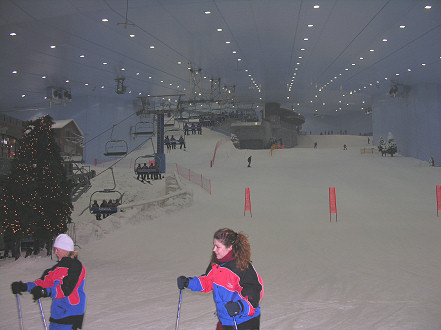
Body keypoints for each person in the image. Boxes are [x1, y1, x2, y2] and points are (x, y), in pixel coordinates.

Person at [177, 228, 263, 329]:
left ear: (230, 247)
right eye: (214, 246)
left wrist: (240, 306)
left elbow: (254, 293)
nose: (214, 250)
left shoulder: (242, 268)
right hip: (226, 320)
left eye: (218, 247)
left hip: (244, 320)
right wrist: (188, 282)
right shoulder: (216, 264)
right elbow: (207, 281)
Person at [11, 234, 86, 330]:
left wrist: (45, 292)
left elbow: (66, 289)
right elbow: (43, 282)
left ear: (66, 250)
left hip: (71, 314)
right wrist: (24, 286)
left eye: (57, 250)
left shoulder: (76, 266)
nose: (55, 252)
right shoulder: (56, 269)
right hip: (57, 315)